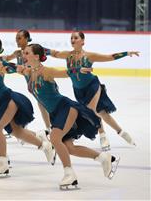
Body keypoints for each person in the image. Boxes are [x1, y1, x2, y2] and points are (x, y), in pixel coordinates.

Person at [18, 43, 120, 190]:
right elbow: (9, 67)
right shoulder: (27, 72)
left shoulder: (46, 71)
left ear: (35, 56)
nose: (23, 56)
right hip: (55, 113)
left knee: (54, 138)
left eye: (26, 53)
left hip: (65, 108)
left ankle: (69, 175)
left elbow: (66, 72)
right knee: (69, 148)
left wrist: (79, 69)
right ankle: (104, 158)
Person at [44, 31, 139, 150]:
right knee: (102, 113)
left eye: (76, 37)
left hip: (92, 85)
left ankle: (102, 135)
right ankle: (121, 132)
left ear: (83, 41)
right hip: (78, 90)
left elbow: (109, 57)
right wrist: (35, 48)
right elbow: (54, 53)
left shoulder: (89, 56)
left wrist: (127, 53)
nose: (73, 39)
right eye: (71, 38)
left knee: (91, 109)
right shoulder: (67, 55)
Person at [0, 36, 55, 177]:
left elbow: (7, 67)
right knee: (16, 132)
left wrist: (18, 68)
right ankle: (44, 145)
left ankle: (3, 162)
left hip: (7, 101)